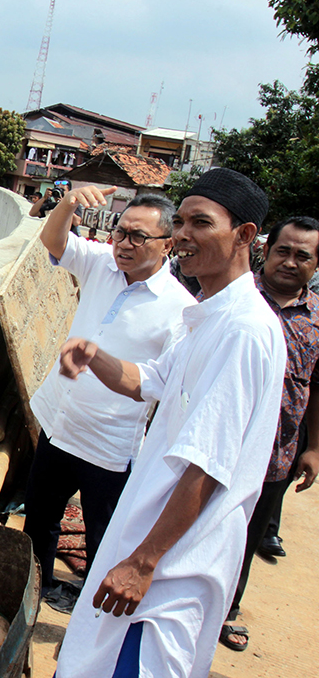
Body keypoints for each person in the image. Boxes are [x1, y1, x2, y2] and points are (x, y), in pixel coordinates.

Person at [53, 167, 285, 678]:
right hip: (150, 538)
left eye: (201, 223)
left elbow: (208, 462)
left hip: (172, 566)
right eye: (180, 222)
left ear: (244, 235)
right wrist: (93, 354)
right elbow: (151, 381)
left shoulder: (244, 330)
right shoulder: (206, 315)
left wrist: (143, 563)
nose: (183, 235)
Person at [24, 186, 194, 611]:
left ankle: (91, 612)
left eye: (139, 237)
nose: (124, 244)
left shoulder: (180, 309)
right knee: (40, 518)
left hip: (109, 444)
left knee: (105, 535)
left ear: (167, 245)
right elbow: (52, 240)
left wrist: (98, 360)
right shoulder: (101, 263)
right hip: (59, 421)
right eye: (120, 232)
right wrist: (69, 203)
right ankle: (34, 591)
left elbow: (162, 383)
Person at [219, 216, 319, 652]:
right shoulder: (232, 296)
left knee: (246, 536)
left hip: (275, 454)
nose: (290, 262)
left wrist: (314, 447)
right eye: (283, 251)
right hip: (218, 445)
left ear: (316, 264)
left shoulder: (317, 319)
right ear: (265, 249)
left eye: (303, 256)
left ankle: (227, 610)